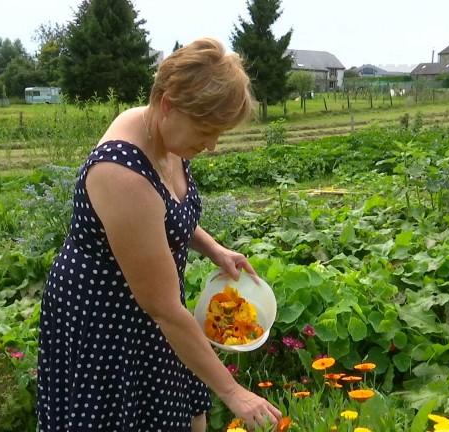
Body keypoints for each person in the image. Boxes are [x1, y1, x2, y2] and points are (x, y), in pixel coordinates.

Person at [36, 37, 282, 432]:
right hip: (105, 317)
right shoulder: (121, 174)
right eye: (205, 131)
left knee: (180, 411)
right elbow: (164, 307)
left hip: (154, 299)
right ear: (168, 105)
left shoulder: (161, 129)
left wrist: (213, 248)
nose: (212, 146)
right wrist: (234, 391)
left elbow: (165, 214)